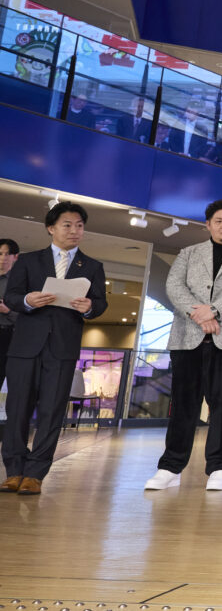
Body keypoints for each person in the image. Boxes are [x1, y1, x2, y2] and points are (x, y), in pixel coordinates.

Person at [144, 199, 222, 492]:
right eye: (219, 221)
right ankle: (170, 466)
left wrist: (214, 310)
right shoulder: (188, 253)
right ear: (208, 225)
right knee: (183, 404)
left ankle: (219, 466)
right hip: (188, 338)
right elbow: (174, 287)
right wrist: (198, 314)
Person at [0, 203, 107, 496]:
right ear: (51, 228)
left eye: (79, 226)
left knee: (51, 412)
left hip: (62, 348)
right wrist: (27, 301)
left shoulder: (93, 266)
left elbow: (100, 303)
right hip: (25, 347)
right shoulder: (28, 261)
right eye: (67, 225)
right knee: (17, 409)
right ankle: (14, 470)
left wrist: (90, 307)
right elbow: (12, 296)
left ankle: (35, 473)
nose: (74, 231)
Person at [0, 239, 19, 392]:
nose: (3, 258)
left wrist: (8, 311)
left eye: (7, 254)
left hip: (7, 334)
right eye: (0, 254)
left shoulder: (20, 282)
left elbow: (29, 314)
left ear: (15, 257)